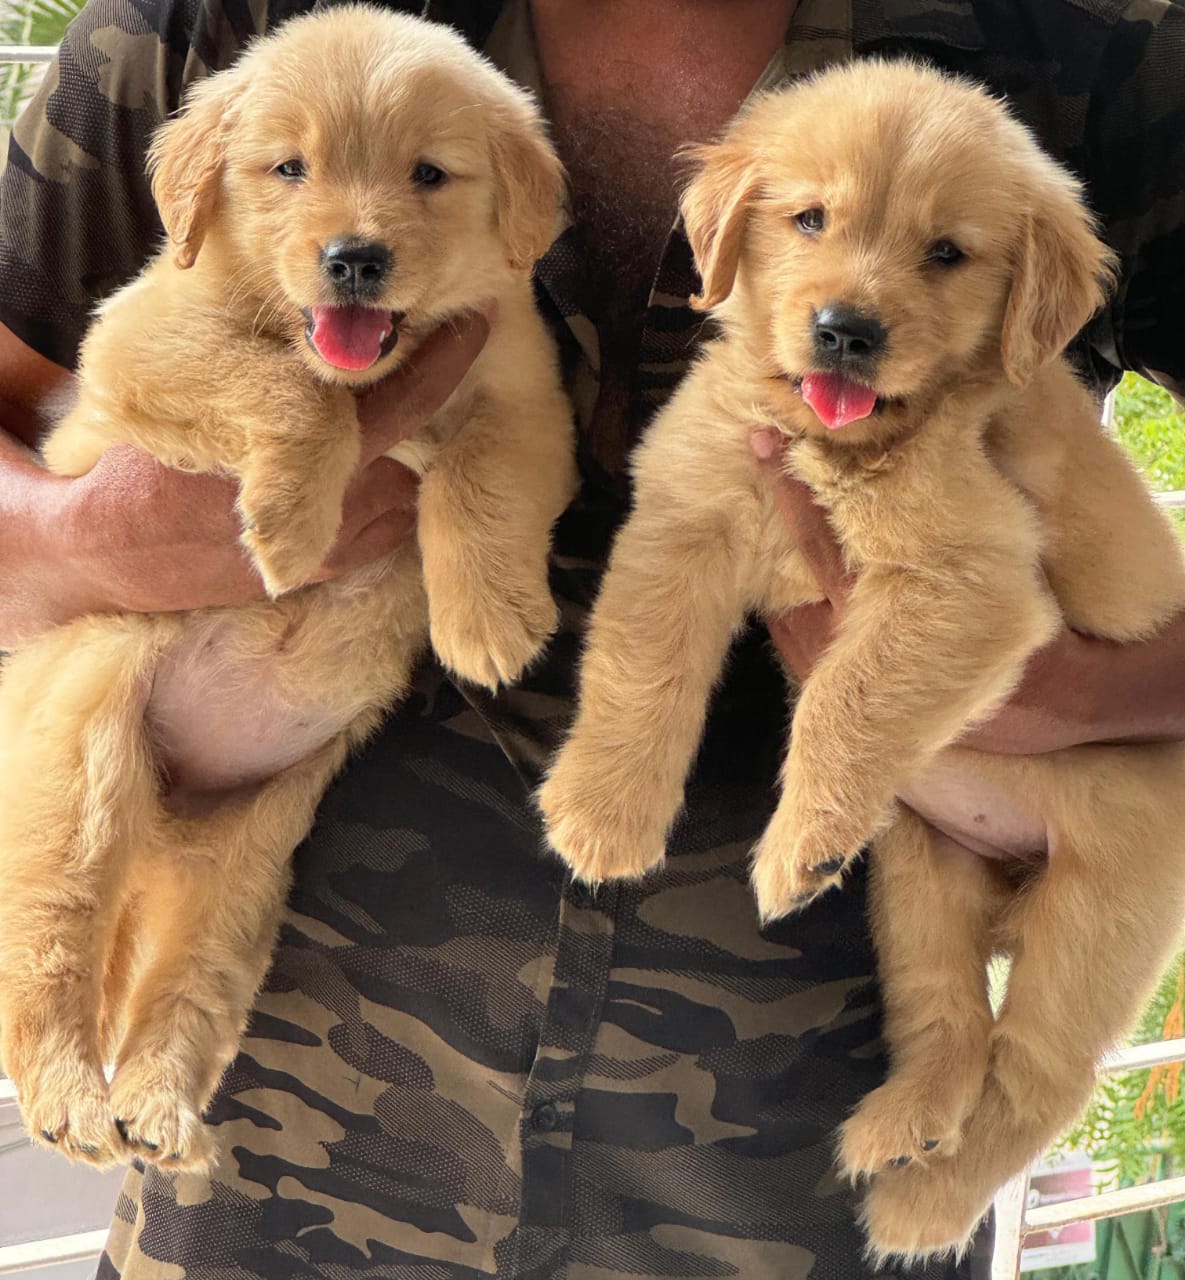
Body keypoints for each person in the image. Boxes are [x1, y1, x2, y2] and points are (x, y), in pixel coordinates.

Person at [0, 0, 1182, 1276]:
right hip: (265, 1167)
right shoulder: (221, 22)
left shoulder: (1099, 49)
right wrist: (87, 539)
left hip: (809, 1184)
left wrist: (1090, 695)